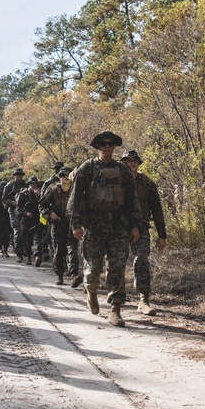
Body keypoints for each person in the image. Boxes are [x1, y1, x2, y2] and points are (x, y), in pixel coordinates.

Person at [67, 131, 143, 327]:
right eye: (103, 144)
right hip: (93, 226)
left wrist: (135, 225)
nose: (107, 147)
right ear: (98, 147)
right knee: (93, 269)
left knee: (117, 267)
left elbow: (132, 200)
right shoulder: (87, 168)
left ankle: (115, 309)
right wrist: (75, 224)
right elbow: (74, 199)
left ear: (114, 147)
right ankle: (91, 291)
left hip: (118, 225)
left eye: (111, 144)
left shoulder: (123, 170)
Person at [121, 149, 167, 316]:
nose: (131, 163)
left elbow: (157, 210)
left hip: (141, 227)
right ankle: (116, 297)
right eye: (128, 160)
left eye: (134, 160)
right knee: (115, 262)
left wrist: (162, 235)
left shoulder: (147, 183)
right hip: (119, 227)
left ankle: (143, 299)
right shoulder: (116, 181)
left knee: (142, 260)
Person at [40, 165, 79, 286]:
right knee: (59, 249)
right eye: (63, 176)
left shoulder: (75, 189)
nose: (66, 178)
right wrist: (49, 213)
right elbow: (41, 205)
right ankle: (59, 275)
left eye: (68, 176)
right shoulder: (53, 189)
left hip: (72, 222)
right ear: (59, 178)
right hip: (58, 223)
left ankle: (74, 274)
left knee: (72, 248)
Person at [1, 168, 27, 261]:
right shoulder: (9, 186)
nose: (19, 177)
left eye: (20, 175)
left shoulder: (26, 185)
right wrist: (12, 202)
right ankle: (19, 253)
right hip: (13, 210)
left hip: (24, 210)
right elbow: (4, 199)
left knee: (25, 231)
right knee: (17, 230)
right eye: (17, 175)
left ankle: (26, 251)